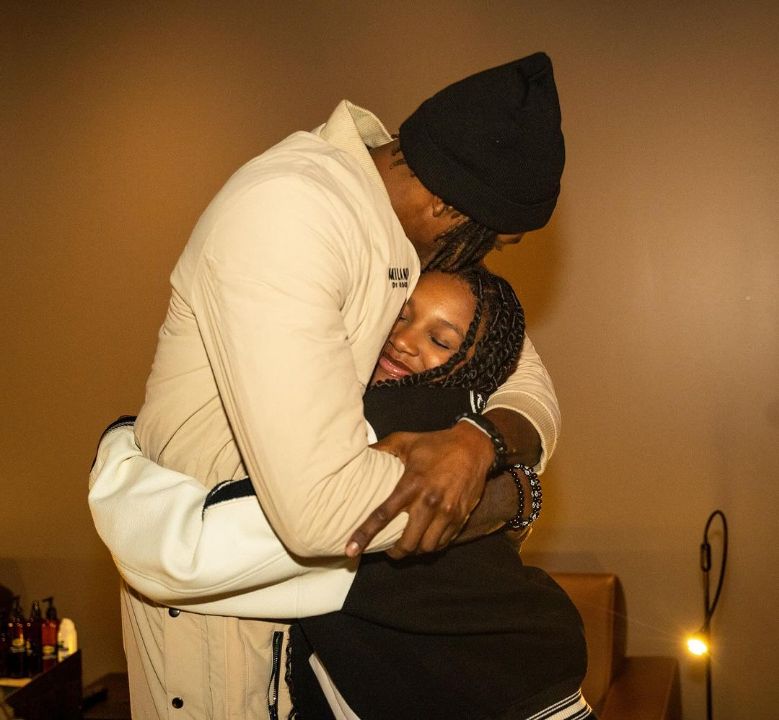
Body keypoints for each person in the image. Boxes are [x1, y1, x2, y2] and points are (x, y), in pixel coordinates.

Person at [89, 53, 565, 719]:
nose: (489, 260)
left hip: (330, 626)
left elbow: (528, 388)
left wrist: (478, 441)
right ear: (444, 204)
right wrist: (510, 495)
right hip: (227, 622)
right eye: (499, 242)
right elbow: (323, 513)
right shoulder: (290, 215)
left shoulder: (413, 237)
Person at [289, 266, 592, 720]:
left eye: (441, 341)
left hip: (502, 686)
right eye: (402, 316)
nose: (405, 341)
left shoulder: (401, 414)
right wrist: (519, 491)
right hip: (522, 670)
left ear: (474, 366)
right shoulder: (424, 402)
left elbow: (320, 535)